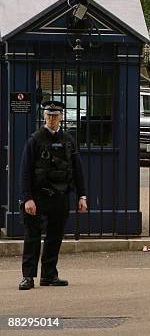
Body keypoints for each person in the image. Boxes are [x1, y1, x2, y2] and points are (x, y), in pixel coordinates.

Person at [19, 100, 87, 291]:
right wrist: (27, 198)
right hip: (38, 196)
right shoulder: (34, 140)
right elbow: (25, 171)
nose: (52, 119)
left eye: (55, 115)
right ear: (44, 116)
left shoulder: (68, 140)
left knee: (55, 237)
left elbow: (77, 169)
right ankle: (28, 277)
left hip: (60, 196)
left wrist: (82, 195)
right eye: (49, 115)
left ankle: (49, 275)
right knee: (32, 236)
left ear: (62, 117)